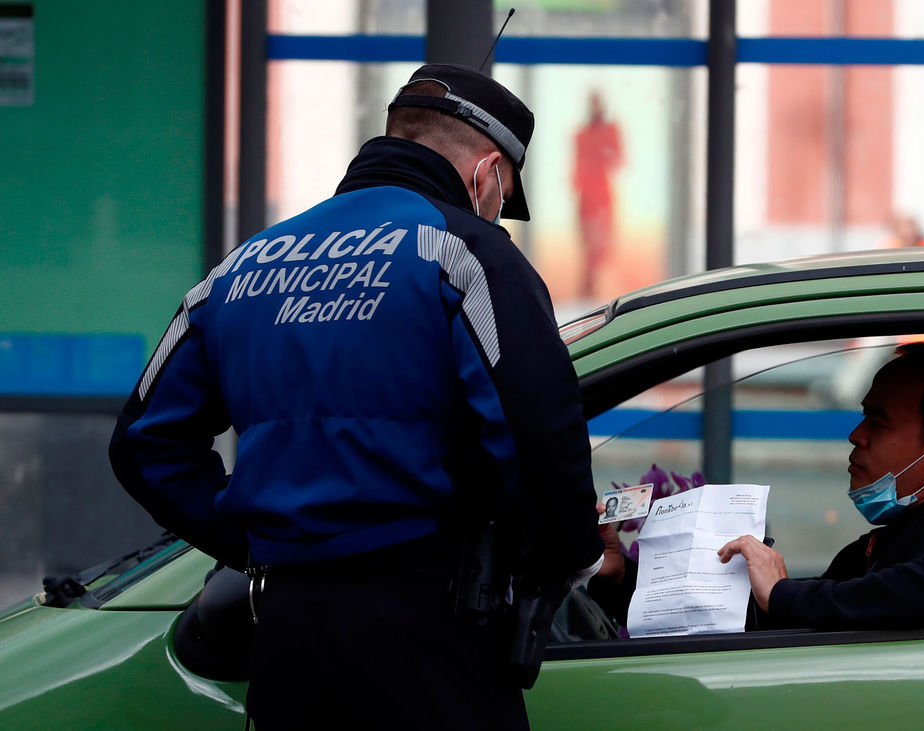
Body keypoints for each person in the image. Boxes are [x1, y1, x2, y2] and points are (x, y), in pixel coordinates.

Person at [109, 63, 604, 729]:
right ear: (487, 174)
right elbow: (538, 433)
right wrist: (569, 557)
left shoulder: (242, 266)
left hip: (284, 636)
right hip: (431, 634)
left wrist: (255, 539)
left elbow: (144, 444)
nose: (494, 209)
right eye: (501, 194)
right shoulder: (466, 254)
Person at [715, 342, 924, 630]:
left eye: (879, 423)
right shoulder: (896, 539)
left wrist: (783, 595)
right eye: (863, 416)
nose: (856, 435)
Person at [572, 91, 623, 299]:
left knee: (601, 245)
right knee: (590, 245)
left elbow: (618, 159)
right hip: (587, 196)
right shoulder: (582, 135)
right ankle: (588, 289)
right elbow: (577, 167)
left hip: (601, 195)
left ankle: (595, 288)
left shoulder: (610, 132)